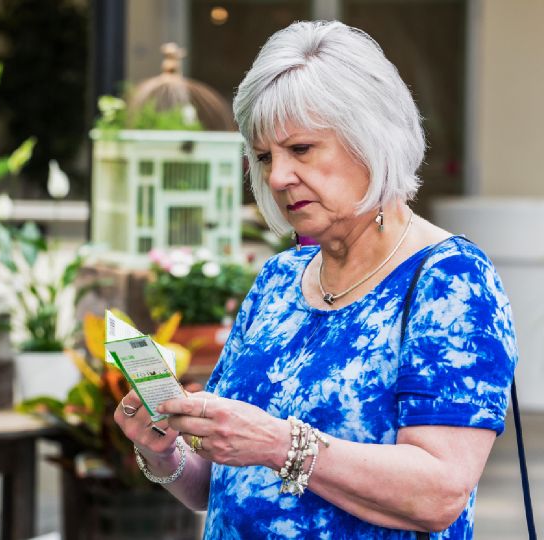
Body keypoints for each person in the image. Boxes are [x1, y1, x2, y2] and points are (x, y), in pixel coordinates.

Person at [114, 20, 518, 539]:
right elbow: (219, 487)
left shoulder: (450, 280)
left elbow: (439, 494)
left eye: (301, 149)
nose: (277, 177)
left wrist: (281, 443)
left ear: (371, 139)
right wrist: (163, 450)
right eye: (264, 158)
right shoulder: (279, 279)